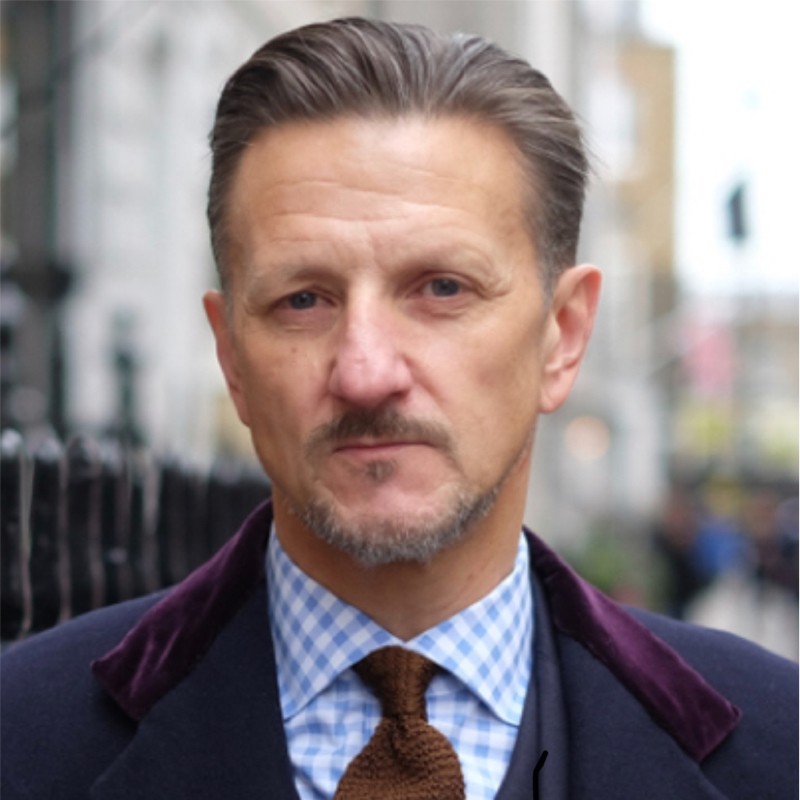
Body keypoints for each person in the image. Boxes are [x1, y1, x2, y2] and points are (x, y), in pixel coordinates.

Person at [1, 17, 796, 800]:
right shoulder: (25, 737)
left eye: (442, 289)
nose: (366, 372)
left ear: (562, 336)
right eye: (303, 299)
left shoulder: (776, 749)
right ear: (231, 355)